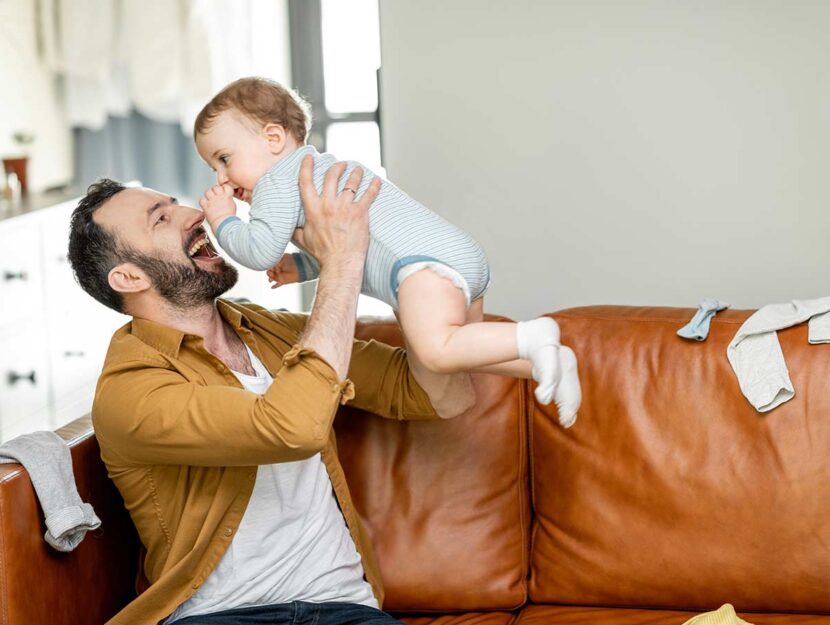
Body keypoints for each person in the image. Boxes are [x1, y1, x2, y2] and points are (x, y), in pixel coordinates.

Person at [66, 160, 476, 625]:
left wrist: (435, 278)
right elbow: (290, 429)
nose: (193, 213)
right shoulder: (130, 389)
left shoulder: (267, 330)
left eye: (174, 203)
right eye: (160, 218)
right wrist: (342, 259)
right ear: (129, 278)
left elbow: (439, 396)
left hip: (345, 608)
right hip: (221, 616)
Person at [194, 77, 581, 426]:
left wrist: (223, 219)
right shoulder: (319, 171)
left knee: (437, 352)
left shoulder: (277, 183)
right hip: (453, 255)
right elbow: (346, 243)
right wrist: (299, 265)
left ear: (273, 138)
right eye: (214, 167)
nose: (222, 177)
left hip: (421, 270)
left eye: (224, 159)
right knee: (467, 348)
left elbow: (258, 251)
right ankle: (547, 363)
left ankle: (534, 335)